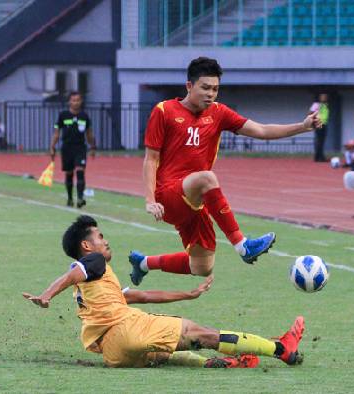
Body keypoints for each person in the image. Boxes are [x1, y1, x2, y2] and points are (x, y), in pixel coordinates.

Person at [129, 57, 321, 284]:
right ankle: (243, 246)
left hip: (195, 200)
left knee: (202, 267)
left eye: (215, 89)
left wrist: (302, 126)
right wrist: (150, 200)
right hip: (168, 196)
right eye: (205, 88)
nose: (211, 94)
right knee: (207, 178)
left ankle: (143, 263)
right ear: (189, 86)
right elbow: (151, 159)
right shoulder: (164, 111)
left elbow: (261, 130)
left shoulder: (219, 113)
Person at [23, 215, 305, 368]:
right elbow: (72, 274)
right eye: (99, 236)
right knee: (202, 333)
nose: (105, 240)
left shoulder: (96, 284)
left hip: (114, 354)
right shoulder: (92, 262)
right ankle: (280, 349)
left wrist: (188, 294)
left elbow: (142, 296)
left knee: (163, 353)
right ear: (87, 246)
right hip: (126, 329)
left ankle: (215, 364)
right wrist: (47, 294)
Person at [49, 92, 96, 208]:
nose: (75, 102)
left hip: (80, 147)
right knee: (69, 173)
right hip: (67, 148)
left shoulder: (84, 116)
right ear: (69, 102)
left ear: (81, 101)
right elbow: (56, 132)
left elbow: (89, 133)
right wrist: (52, 146)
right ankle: (70, 198)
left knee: (80, 171)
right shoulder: (63, 115)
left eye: (78, 100)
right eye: (73, 100)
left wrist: (92, 146)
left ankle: (80, 198)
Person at [309, 93, 329, 162]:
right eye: (323, 97)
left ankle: (319, 156)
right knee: (319, 141)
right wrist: (313, 122)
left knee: (322, 141)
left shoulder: (325, 105)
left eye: (325, 97)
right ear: (319, 97)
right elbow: (310, 113)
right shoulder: (316, 104)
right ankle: (319, 157)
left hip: (324, 124)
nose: (324, 98)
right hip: (319, 123)